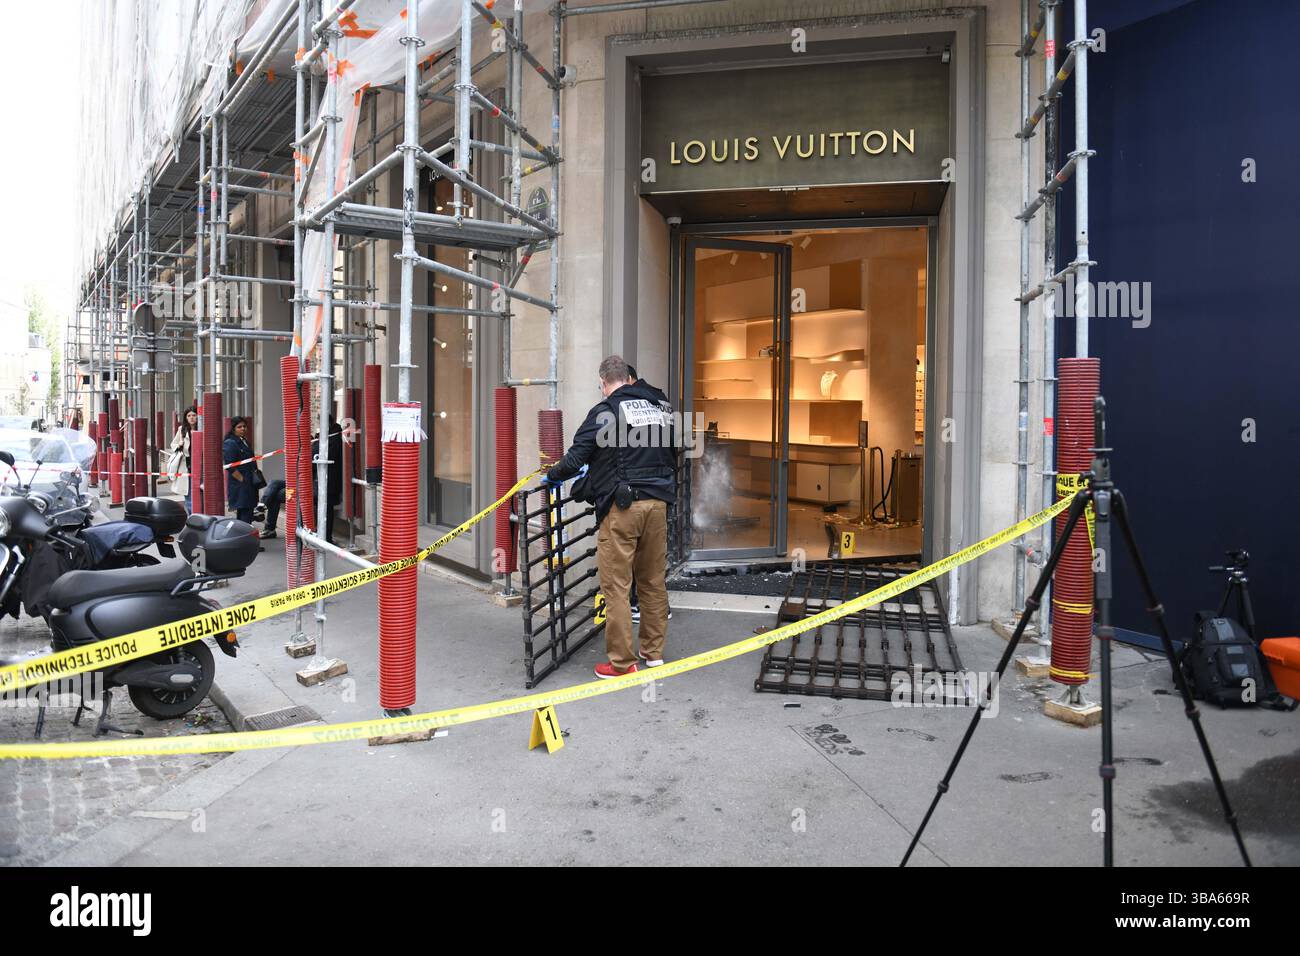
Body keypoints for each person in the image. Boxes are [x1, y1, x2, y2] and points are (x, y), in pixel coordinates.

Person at [544, 355, 677, 679]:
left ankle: (621, 662)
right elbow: (674, 451)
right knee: (652, 580)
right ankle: (653, 652)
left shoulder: (605, 411)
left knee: (617, 586)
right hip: (658, 504)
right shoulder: (661, 408)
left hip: (623, 508)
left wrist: (553, 475)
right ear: (630, 379)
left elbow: (577, 456)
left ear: (604, 383)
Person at [310, 417, 344, 544]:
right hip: (321, 480)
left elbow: (323, 456)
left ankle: (326, 537)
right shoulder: (324, 438)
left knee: (326, 509)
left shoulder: (334, 439)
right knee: (320, 508)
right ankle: (321, 534)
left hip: (329, 481)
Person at [223, 417, 258, 523]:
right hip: (240, 484)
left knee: (248, 510)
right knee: (244, 511)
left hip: (249, 481)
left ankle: (244, 534)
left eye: (244, 426)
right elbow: (230, 466)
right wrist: (242, 480)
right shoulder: (231, 443)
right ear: (233, 429)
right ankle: (244, 536)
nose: (243, 429)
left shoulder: (245, 441)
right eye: (239, 427)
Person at [169, 406, 198, 512]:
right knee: (189, 493)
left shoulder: (202, 428)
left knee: (200, 492)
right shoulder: (182, 430)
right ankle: (192, 517)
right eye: (189, 416)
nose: (191, 418)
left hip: (200, 465)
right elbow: (173, 445)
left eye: (194, 415)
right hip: (186, 466)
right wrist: (179, 444)